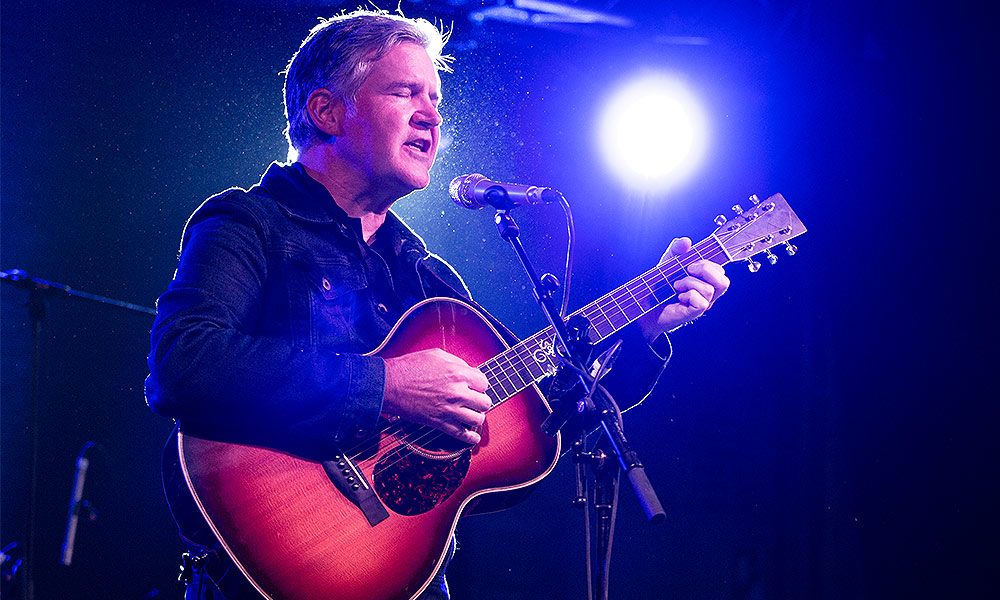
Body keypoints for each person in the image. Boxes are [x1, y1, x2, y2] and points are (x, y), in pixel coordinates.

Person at [145, 9, 730, 600]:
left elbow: (544, 414)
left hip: (413, 581)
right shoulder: (249, 224)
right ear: (326, 111)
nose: (431, 115)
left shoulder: (427, 280)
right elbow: (184, 365)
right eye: (405, 92)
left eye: (436, 99)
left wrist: (647, 328)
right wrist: (385, 385)